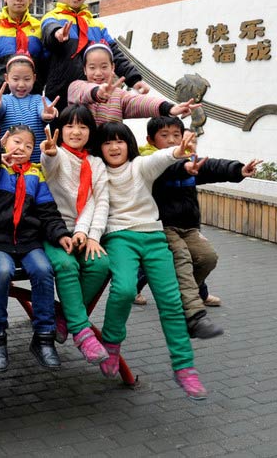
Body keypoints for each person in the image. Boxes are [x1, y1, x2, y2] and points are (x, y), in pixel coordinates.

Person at [94, 121, 207, 399]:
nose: (114, 147)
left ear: (129, 144)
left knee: (171, 301)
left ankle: (184, 368)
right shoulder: (97, 173)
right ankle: (111, 343)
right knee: (123, 290)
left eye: (120, 141)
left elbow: (160, 158)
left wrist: (178, 152)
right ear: (100, 148)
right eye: (108, 142)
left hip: (154, 236)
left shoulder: (140, 166)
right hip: (119, 237)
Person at [139, 118, 261, 337]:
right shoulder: (147, 159)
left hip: (188, 227)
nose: (172, 140)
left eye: (176, 135)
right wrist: (185, 166)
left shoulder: (189, 159)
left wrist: (238, 170)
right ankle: (193, 315)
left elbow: (211, 166)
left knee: (207, 258)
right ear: (151, 139)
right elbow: (170, 169)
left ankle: (181, 298)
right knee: (182, 259)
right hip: (161, 226)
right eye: (164, 135)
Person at [0, 118, 72, 372]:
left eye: (28, 146)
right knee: (3, 271)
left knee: (42, 270)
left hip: (28, 241)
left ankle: (44, 337)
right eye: (17, 142)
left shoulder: (35, 174)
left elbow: (48, 212)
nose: (21, 149)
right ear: (5, 142)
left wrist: (60, 234)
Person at [39, 106, 110, 364]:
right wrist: (48, 153)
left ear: (91, 131)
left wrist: (89, 235)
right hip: (51, 231)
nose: (76, 131)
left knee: (100, 264)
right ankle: (82, 333)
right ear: (61, 129)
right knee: (66, 265)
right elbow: (49, 165)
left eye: (82, 126)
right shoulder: (56, 154)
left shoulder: (96, 164)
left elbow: (99, 202)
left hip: (83, 230)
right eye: (69, 125)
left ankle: (63, 315)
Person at [41, 0, 148, 110]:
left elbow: (115, 54)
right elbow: (49, 30)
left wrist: (134, 79)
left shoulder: (96, 25)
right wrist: (57, 33)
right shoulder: (52, 17)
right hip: (60, 95)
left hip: (94, 95)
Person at [68, 43, 200, 126]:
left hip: (110, 155)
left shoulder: (119, 95)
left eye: (104, 66)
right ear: (84, 69)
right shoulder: (76, 86)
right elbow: (85, 92)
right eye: (92, 67)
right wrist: (98, 92)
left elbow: (140, 102)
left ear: (113, 67)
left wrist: (169, 108)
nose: (98, 73)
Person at [0, 55, 60, 162]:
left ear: (34, 78)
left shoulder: (39, 100)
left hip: (36, 165)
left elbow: (44, 110)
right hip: (8, 163)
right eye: (15, 79)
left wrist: (47, 114)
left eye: (27, 79)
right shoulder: (3, 100)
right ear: (7, 78)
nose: (21, 84)